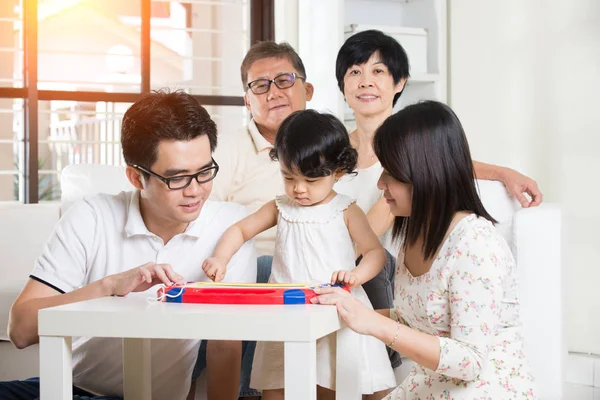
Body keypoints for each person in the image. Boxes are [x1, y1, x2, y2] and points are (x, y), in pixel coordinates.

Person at [1, 90, 257, 400]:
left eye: (204, 172)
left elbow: (224, 345)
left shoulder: (230, 229)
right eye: (177, 178)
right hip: (61, 389)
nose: (195, 190)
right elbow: (21, 329)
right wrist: (108, 286)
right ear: (136, 177)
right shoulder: (91, 215)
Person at [312, 101, 537, 399]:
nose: (381, 184)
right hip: (433, 386)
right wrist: (345, 310)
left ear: (426, 173)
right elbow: (414, 319)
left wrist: (373, 323)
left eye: (390, 174)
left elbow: (469, 362)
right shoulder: (416, 234)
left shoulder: (475, 244)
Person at [203, 109, 397, 400]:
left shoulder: (345, 209)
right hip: (287, 312)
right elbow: (240, 230)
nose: (299, 189)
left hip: (335, 311)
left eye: (311, 180)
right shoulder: (280, 206)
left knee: (331, 383)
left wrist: (356, 275)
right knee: (277, 385)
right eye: (288, 176)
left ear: (338, 172)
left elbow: (374, 252)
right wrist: (220, 258)